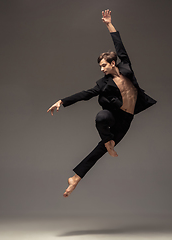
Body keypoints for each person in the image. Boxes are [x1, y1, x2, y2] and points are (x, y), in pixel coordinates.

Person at [47, 9, 156, 197]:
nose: (102, 68)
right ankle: (108, 141)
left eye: (104, 65)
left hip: (126, 119)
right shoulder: (103, 84)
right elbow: (86, 94)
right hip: (114, 115)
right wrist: (62, 101)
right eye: (100, 66)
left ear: (113, 63)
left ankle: (75, 179)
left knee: (99, 151)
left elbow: (119, 45)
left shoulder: (126, 68)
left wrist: (109, 24)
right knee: (101, 116)